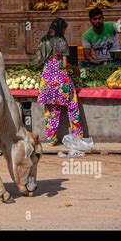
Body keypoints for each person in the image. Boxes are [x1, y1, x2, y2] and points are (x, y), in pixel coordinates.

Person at [37, 18, 83, 146]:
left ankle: (51, 139)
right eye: (64, 28)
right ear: (61, 29)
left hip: (47, 78)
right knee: (72, 104)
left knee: (51, 108)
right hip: (61, 78)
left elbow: (39, 61)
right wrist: (75, 69)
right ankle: (77, 134)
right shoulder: (61, 42)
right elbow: (64, 64)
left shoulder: (43, 41)